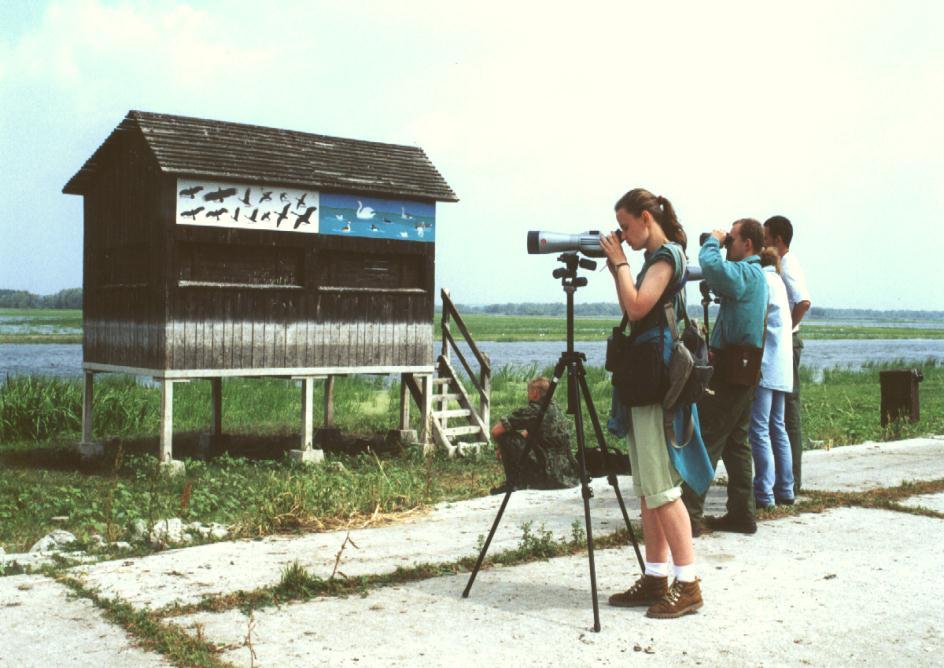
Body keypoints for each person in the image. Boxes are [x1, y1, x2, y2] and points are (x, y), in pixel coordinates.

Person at [599, 188, 713, 620]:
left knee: (663, 491)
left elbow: (636, 305)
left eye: (627, 227)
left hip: (654, 383)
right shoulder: (658, 257)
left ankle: (688, 584)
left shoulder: (665, 257)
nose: (623, 236)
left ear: (646, 218)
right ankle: (656, 576)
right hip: (645, 381)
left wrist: (621, 264)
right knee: (649, 490)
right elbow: (634, 309)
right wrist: (619, 268)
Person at [681, 218, 768, 535]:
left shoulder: (747, 272)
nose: (728, 244)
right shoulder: (754, 275)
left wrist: (712, 241)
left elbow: (713, 268)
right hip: (745, 368)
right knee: (736, 443)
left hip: (732, 371)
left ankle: (688, 515)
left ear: (747, 244)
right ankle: (742, 514)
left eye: (732, 239)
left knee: (707, 437)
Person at [764, 216, 811, 496]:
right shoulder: (782, 263)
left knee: (788, 412)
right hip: (787, 342)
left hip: (788, 342)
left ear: (779, 240)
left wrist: (786, 329)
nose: (764, 242)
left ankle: (793, 479)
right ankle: (786, 478)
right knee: (780, 414)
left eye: (767, 237)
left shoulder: (788, 263)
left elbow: (803, 301)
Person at [750, 248, 795, 508]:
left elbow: (756, 320)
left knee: (759, 429)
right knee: (778, 427)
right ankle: (785, 489)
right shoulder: (778, 281)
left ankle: (764, 493)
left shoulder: (763, 281)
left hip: (766, 364)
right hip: (781, 367)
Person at [490, 377, 578, 493]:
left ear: (535, 393)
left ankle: (514, 483)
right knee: (520, 436)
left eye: (529, 391)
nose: (528, 394)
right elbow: (532, 431)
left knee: (505, 437)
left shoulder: (533, 411)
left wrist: (501, 448)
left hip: (548, 474)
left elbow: (496, 431)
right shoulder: (555, 408)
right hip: (567, 472)